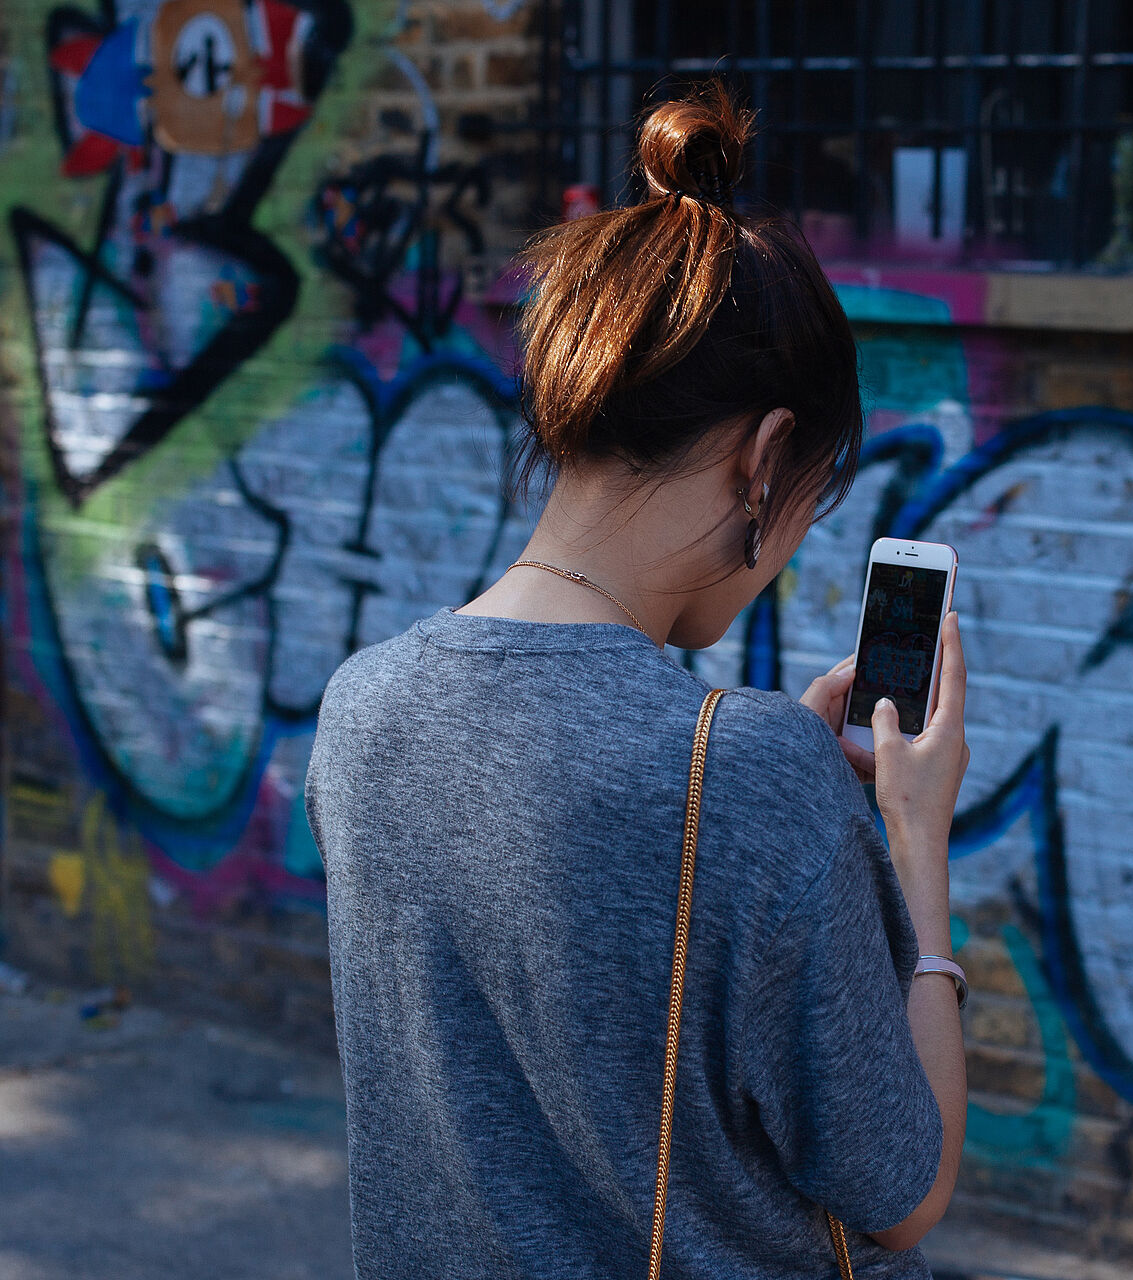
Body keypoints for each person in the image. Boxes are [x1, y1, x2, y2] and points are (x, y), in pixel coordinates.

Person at [306, 83, 969, 1279]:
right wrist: (914, 837)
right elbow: (905, 1190)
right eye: (811, 505)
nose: (791, 550)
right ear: (765, 460)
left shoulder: (361, 708)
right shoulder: (752, 770)